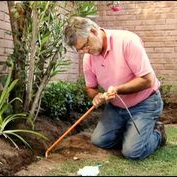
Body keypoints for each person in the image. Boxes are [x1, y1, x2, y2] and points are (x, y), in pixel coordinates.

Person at [64, 16, 166, 160]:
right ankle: (131, 133)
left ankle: (158, 133)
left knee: (133, 152)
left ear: (93, 31)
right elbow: (90, 88)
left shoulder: (127, 41)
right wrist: (97, 96)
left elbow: (147, 80)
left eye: (85, 45)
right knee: (100, 141)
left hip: (145, 102)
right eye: (80, 50)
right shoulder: (89, 57)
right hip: (116, 106)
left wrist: (118, 89)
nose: (85, 51)